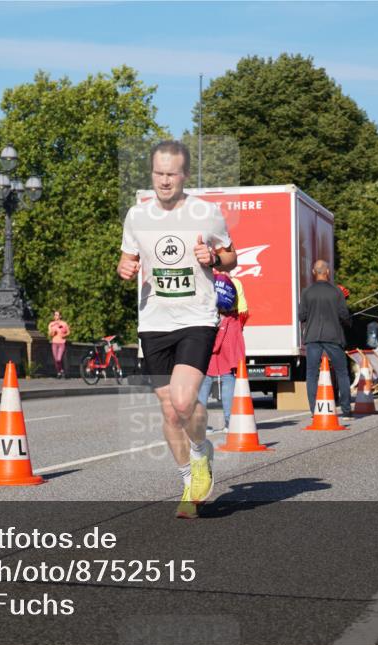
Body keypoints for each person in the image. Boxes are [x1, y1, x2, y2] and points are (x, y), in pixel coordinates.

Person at [118, 140, 237, 519]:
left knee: (185, 401)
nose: (164, 181)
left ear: (184, 174)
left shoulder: (207, 213)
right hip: (153, 321)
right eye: (158, 173)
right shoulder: (137, 216)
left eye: (171, 174)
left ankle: (201, 452)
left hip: (195, 319)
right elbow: (127, 257)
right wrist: (125, 269)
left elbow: (232, 257)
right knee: (170, 413)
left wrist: (214, 257)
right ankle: (189, 478)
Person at [298, 260, 353, 421]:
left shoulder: (307, 292)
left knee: (311, 374)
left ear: (314, 272)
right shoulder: (337, 292)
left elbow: (302, 316)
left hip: (313, 336)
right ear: (327, 272)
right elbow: (344, 314)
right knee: (342, 372)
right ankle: (346, 410)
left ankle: (315, 410)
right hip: (333, 336)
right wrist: (348, 322)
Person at [198, 272, 246, 434]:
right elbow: (244, 310)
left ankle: (199, 425)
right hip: (230, 329)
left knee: (204, 377)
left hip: (208, 327)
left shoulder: (203, 281)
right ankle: (230, 422)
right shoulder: (235, 283)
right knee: (228, 376)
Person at [47, 311, 70, 378]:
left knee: (59, 359)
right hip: (54, 342)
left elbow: (68, 332)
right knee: (55, 359)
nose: (56, 316)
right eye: (55, 315)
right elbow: (50, 334)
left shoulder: (64, 323)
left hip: (61, 343)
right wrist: (52, 332)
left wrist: (64, 335)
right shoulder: (51, 324)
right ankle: (59, 372)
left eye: (57, 315)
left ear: (60, 316)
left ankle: (61, 370)